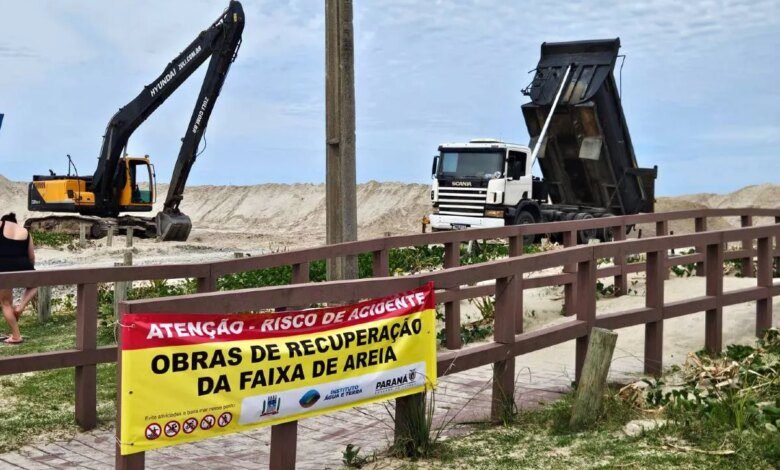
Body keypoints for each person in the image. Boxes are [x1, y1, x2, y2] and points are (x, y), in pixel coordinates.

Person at [0, 212, 37, 344]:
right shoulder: (25, 232)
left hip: (3, 267)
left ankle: (16, 336)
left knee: (5, 303)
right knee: (34, 285)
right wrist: (30, 270)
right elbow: (31, 256)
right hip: (23, 266)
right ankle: (20, 308)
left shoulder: (1, 225)